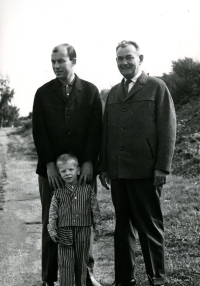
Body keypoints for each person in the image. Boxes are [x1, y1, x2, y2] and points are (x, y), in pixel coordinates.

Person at [99, 40, 176, 286]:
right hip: (119, 172)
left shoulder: (156, 87)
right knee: (122, 228)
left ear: (140, 58)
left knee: (149, 227)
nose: (124, 63)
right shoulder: (113, 92)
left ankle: (157, 279)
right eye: (119, 59)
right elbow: (106, 133)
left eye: (128, 58)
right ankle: (124, 279)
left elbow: (168, 129)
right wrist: (105, 166)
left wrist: (162, 167)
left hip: (146, 172)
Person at [32, 43, 102, 286]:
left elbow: (96, 132)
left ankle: (86, 275)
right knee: (52, 222)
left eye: (61, 61)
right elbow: (39, 132)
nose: (56, 66)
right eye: (53, 62)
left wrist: (90, 163)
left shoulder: (91, 92)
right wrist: (50, 164)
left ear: (73, 61)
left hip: (83, 172)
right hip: (51, 173)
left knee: (83, 223)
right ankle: (49, 278)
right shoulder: (42, 93)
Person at [47, 153, 102, 286]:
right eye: (63, 171)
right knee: (65, 264)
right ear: (59, 173)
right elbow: (53, 213)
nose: (67, 173)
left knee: (81, 263)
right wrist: (52, 230)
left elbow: (95, 209)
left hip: (83, 231)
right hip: (64, 231)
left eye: (71, 170)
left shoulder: (87, 190)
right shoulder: (58, 192)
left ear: (78, 171)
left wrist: (98, 226)